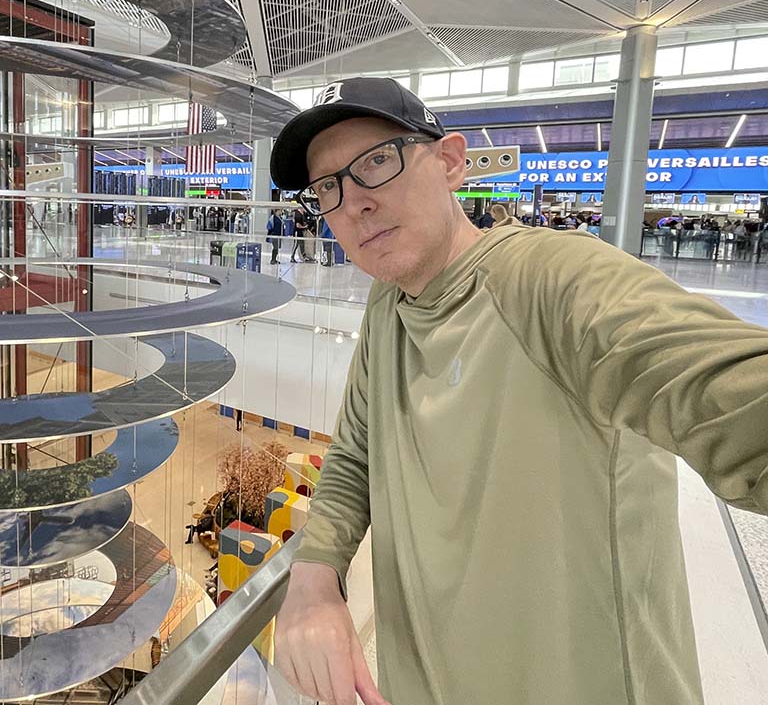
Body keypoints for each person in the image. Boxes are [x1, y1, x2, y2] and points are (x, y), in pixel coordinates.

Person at [267, 76, 768, 705]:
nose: (353, 204)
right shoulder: (388, 304)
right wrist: (315, 576)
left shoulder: (555, 280)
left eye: (375, 162)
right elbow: (355, 453)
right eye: (327, 188)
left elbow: (728, 394)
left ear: (450, 162)